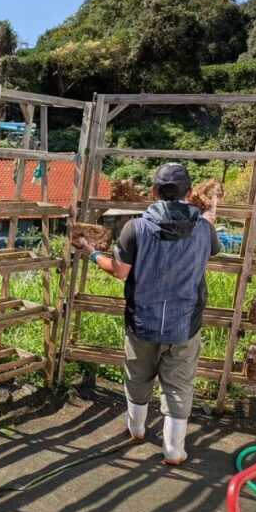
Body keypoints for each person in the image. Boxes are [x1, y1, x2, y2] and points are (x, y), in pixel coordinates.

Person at [75, 163, 221, 465]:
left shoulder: (135, 228)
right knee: (179, 384)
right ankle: (174, 450)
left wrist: (91, 251)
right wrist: (209, 215)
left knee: (137, 374)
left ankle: (137, 428)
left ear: (154, 192)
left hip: (143, 318)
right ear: (190, 193)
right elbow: (210, 247)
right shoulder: (204, 228)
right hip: (185, 321)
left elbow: (119, 272)